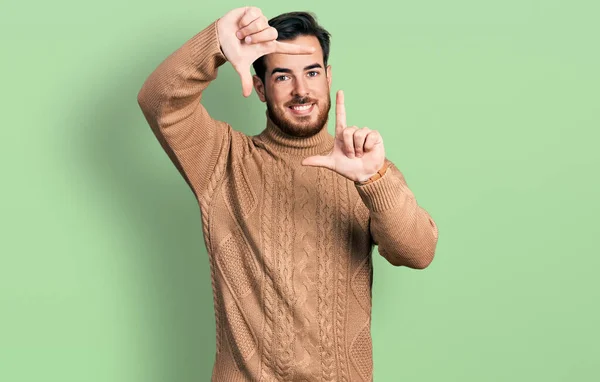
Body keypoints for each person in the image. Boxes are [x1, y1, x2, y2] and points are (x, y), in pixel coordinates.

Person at [137, 6, 439, 381]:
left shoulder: (366, 166)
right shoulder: (221, 160)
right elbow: (158, 101)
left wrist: (373, 180)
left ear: (328, 77)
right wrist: (215, 41)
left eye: (312, 72)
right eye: (283, 76)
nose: (302, 91)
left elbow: (419, 251)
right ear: (260, 87)